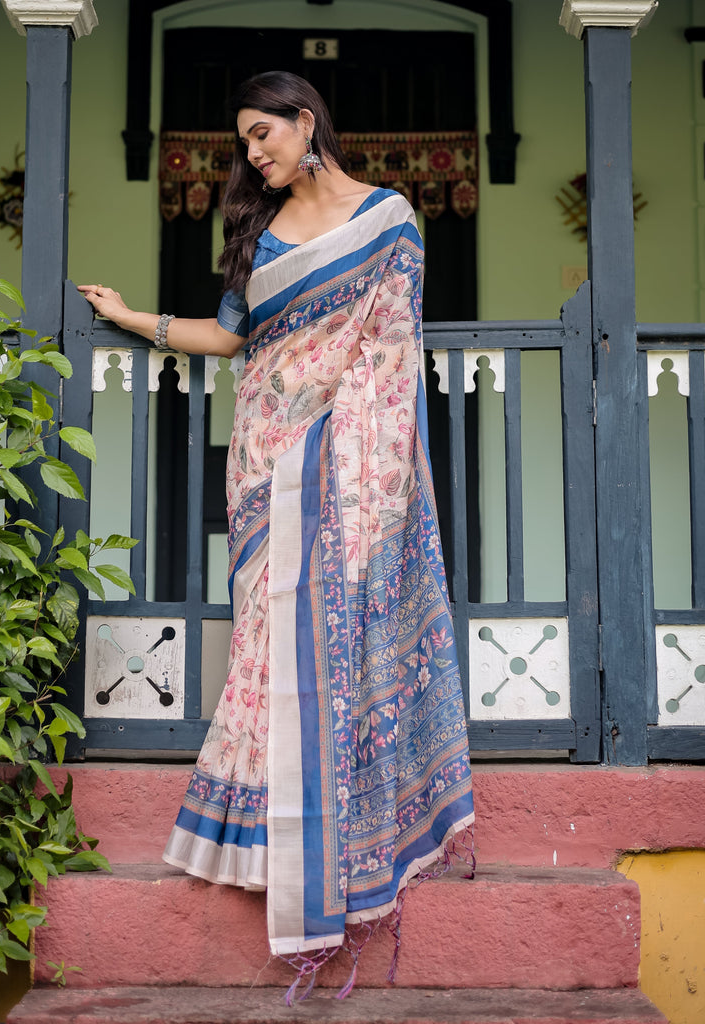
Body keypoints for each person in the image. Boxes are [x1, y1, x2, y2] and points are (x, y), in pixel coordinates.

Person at [79, 70, 474, 1001]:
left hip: (347, 464)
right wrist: (138, 318)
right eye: (245, 143)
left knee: (335, 643)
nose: (254, 154)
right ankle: (269, 839)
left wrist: (348, 456)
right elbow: (232, 339)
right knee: (272, 642)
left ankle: (339, 838)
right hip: (263, 461)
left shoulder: (389, 221)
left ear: (307, 123)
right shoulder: (254, 231)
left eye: (264, 135)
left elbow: (388, 352)